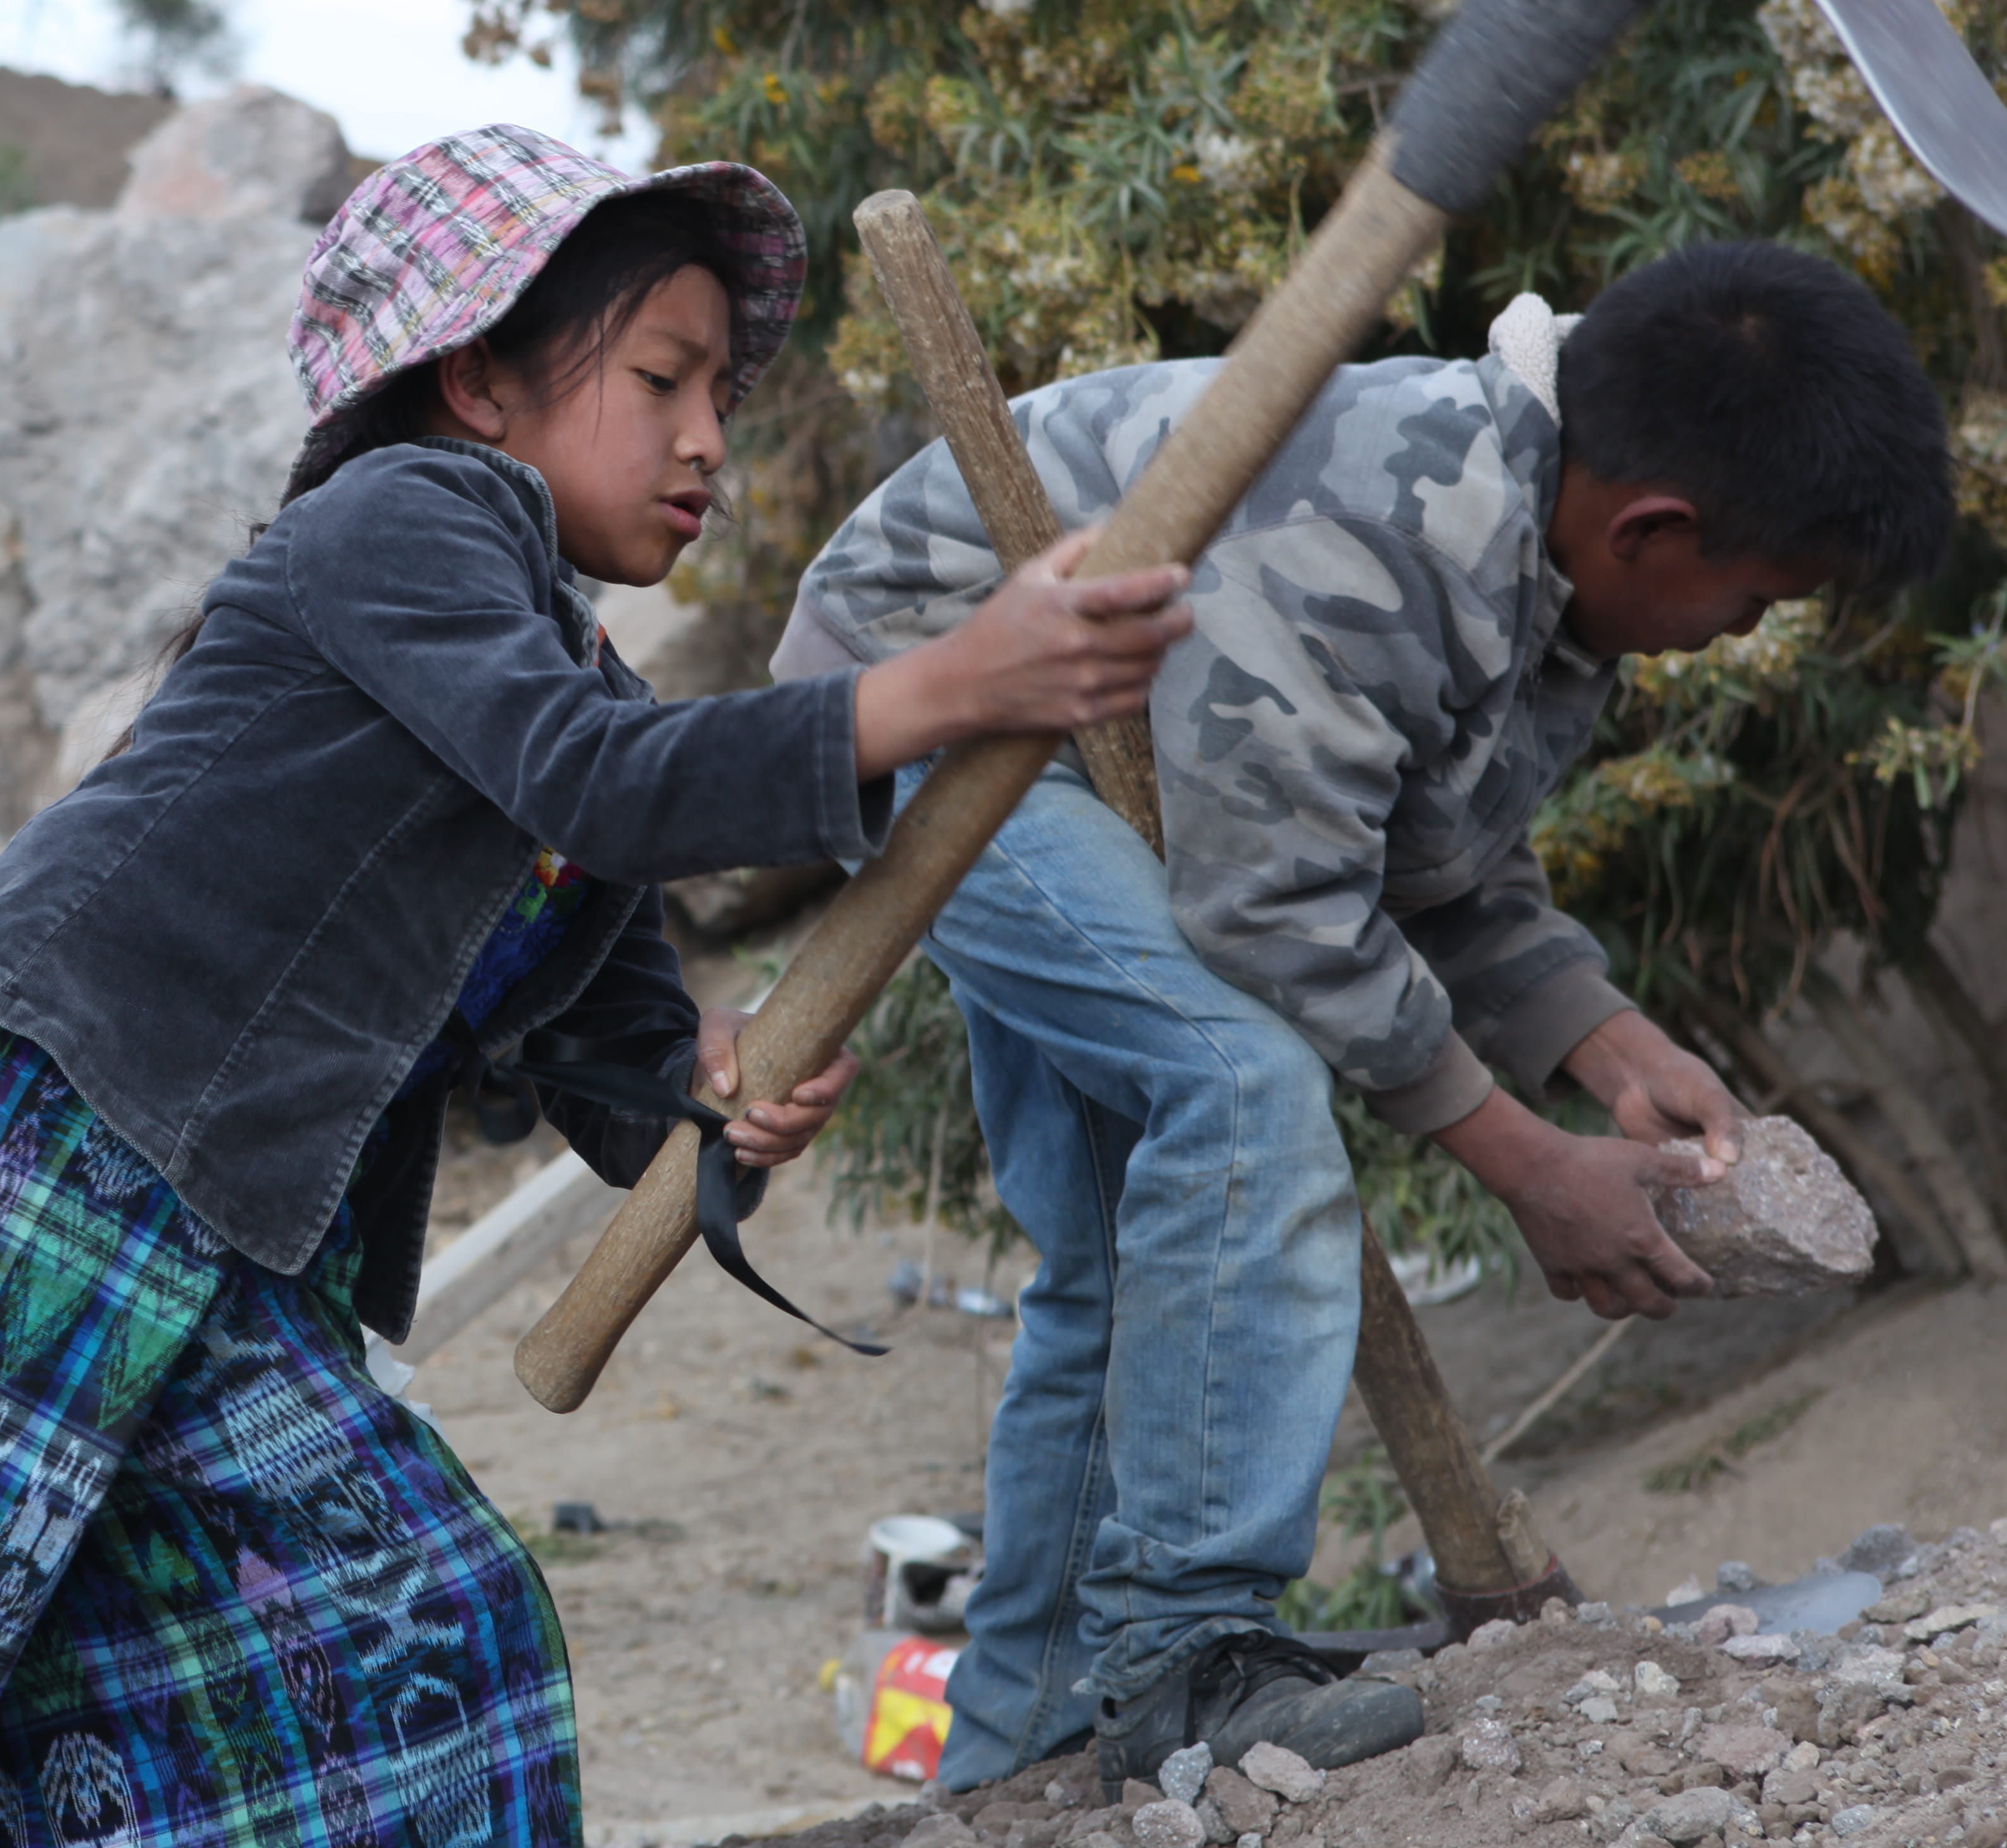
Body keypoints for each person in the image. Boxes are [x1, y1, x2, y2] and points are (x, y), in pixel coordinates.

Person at [0, 124, 1197, 1848]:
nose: (707, 441)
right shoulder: (400, 522)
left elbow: (619, 1072)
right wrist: (948, 685)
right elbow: (600, 780)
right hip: (61, 1158)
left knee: (190, 1667)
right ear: (476, 381)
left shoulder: (562, 668)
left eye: (724, 404)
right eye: (665, 378)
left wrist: (724, 1082)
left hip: (233, 1240)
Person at [784, 242, 1954, 1793]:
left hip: (1132, 750)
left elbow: (1425, 849)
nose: (1735, 636)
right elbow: (1277, 909)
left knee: (1122, 1255)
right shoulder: (1378, 528)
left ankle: (1023, 1740)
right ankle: (1185, 1652)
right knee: (1245, 1087)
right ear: (1653, 527)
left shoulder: (1547, 557)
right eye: (1752, 603)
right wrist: (1527, 1160)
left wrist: (1602, 1038)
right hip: (942, 706)